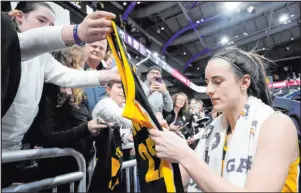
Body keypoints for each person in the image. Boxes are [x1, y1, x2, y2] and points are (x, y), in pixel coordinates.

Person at [149, 47, 299, 192]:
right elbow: (175, 185)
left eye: (217, 81)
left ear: (244, 82)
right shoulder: (211, 131)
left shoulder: (277, 125)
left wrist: (184, 155)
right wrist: (163, 140)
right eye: (207, 82)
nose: (208, 90)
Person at [2, 2, 119, 152]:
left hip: (13, 147)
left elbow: (68, 76)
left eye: (51, 25)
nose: (46, 28)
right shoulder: (6, 42)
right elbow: (20, 45)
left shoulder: (43, 59)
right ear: (19, 17)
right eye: (41, 20)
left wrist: (107, 75)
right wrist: (76, 33)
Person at [22, 46, 109, 191]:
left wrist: (97, 129)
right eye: (76, 64)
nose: (80, 70)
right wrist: (86, 128)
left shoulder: (80, 93)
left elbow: (85, 125)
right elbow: (48, 136)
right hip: (55, 174)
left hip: (79, 170)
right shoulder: (49, 92)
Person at [90, 82, 133, 192]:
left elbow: (124, 135)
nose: (123, 91)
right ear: (108, 89)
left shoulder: (124, 106)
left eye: (125, 88)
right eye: (119, 87)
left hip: (117, 160)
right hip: (100, 161)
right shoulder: (105, 104)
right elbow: (125, 119)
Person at [83, 40, 116, 111]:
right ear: (85, 46)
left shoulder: (109, 77)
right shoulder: (74, 68)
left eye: (101, 48)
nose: (97, 50)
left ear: (105, 53)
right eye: (94, 46)